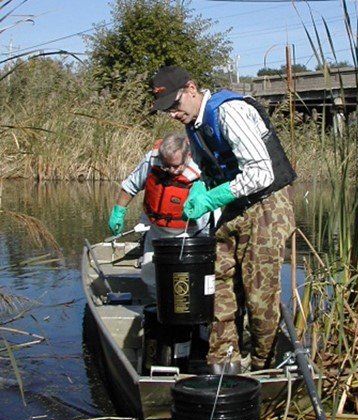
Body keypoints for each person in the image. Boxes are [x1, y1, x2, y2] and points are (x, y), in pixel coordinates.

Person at [150, 65, 297, 373]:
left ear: (191, 89)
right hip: (236, 204)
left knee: (259, 297)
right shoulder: (194, 124)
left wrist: (213, 198)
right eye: (167, 111)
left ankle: (263, 367)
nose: (173, 115)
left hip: (267, 204)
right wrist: (201, 188)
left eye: (175, 106)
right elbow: (209, 168)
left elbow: (261, 173)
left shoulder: (230, 111)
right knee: (215, 284)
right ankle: (223, 362)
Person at [108, 132, 209, 296]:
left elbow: (210, 216)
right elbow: (130, 186)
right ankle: (156, 308)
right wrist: (118, 212)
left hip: (188, 233)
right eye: (166, 165)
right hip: (156, 230)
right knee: (151, 276)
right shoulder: (153, 159)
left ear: (186, 156)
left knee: (184, 281)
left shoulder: (199, 168)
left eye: (177, 166)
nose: (171, 171)